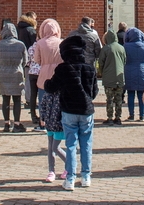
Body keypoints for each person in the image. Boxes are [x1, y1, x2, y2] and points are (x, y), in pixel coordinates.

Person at [45, 35, 99, 191]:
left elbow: (51, 87)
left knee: (70, 145)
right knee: (86, 145)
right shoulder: (90, 68)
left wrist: (47, 82)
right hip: (86, 110)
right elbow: (94, 92)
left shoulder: (63, 68)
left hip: (68, 110)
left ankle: (70, 179)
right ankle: (86, 177)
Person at [34, 18, 67, 183]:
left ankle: (51, 170)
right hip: (59, 79)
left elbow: (37, 61)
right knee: (57, 113)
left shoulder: (40, 43)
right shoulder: (62, 42)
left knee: (45, 112)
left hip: (44, 80)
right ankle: (65, 166)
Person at [0, 22, 28, 132]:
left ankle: (6, 124)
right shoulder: (21, 44)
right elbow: (26, 61)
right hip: (16, 73)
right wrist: (18, 66)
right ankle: (17, 123)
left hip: (3, 73)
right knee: (17, 99)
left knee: (5, 99)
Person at [96, 29, 126, 126]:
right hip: (119, 77)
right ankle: (118, 118)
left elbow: (101, 63)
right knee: (119, 99)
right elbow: (124, 61)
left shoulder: (106, 48)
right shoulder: (121, 48)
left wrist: (101, 72)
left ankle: (109, 118)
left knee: (109, 99)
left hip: (108, 78)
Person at [122, 27, 144, 121]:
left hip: (129, 71)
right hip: (143, 71)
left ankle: (131, 115)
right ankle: (142, 115)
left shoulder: (125, 46)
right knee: (141, 95)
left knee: (130, 94)